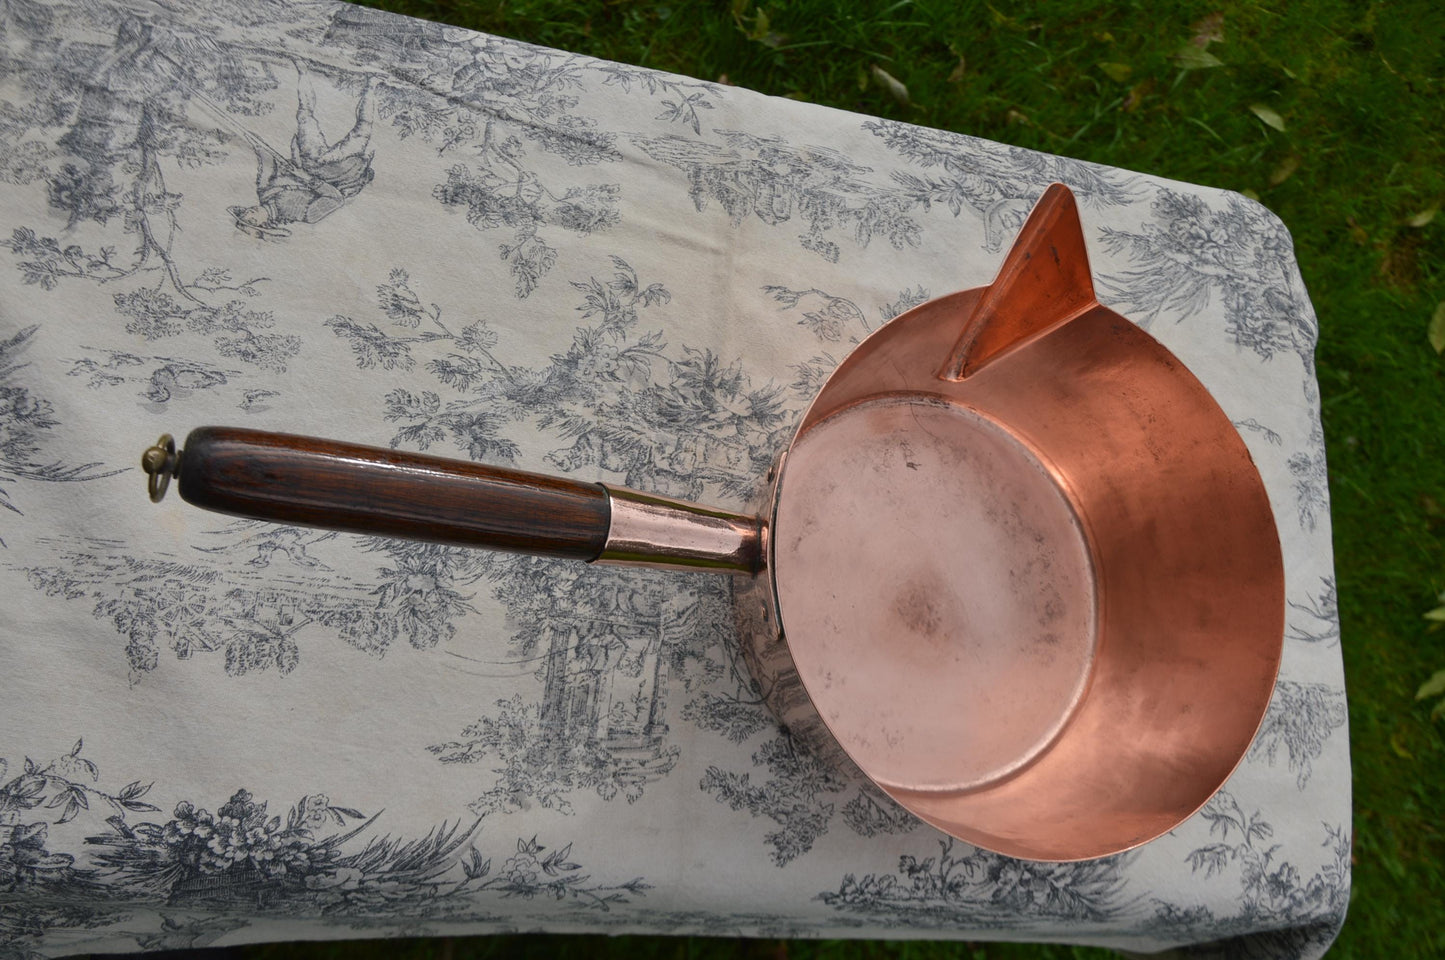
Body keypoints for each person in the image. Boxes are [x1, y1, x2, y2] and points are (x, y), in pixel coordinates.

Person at [230, 62, 379, 240]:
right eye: (252, 220)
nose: (249, 212)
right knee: (362, 130)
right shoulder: (307, 216)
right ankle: (372, 85)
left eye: (244, 214)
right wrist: (304, 178)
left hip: (312, 161)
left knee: (304, 116)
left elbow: (266, 162)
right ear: (265, 225)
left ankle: (303, 70)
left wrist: (255, 143)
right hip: (341, 172)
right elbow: (336, 199)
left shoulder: (265, 192)